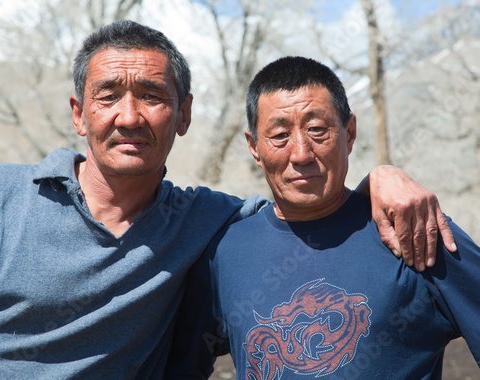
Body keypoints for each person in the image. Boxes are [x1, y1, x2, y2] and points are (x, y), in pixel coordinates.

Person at [0, 20, 453, 379]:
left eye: (151, 96)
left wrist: (382, 178)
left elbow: (305, 195)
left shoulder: (206, 223)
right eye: (108, 97)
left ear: (183, 115)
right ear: (79, 115)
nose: (129, 117)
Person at [165, 57, 480, 379]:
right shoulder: (224, 253)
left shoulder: (412, 229)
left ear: (350, 133)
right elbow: (181, 367)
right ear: (254, 147)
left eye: (317, 130)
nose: (300, 154)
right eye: (279, 135)